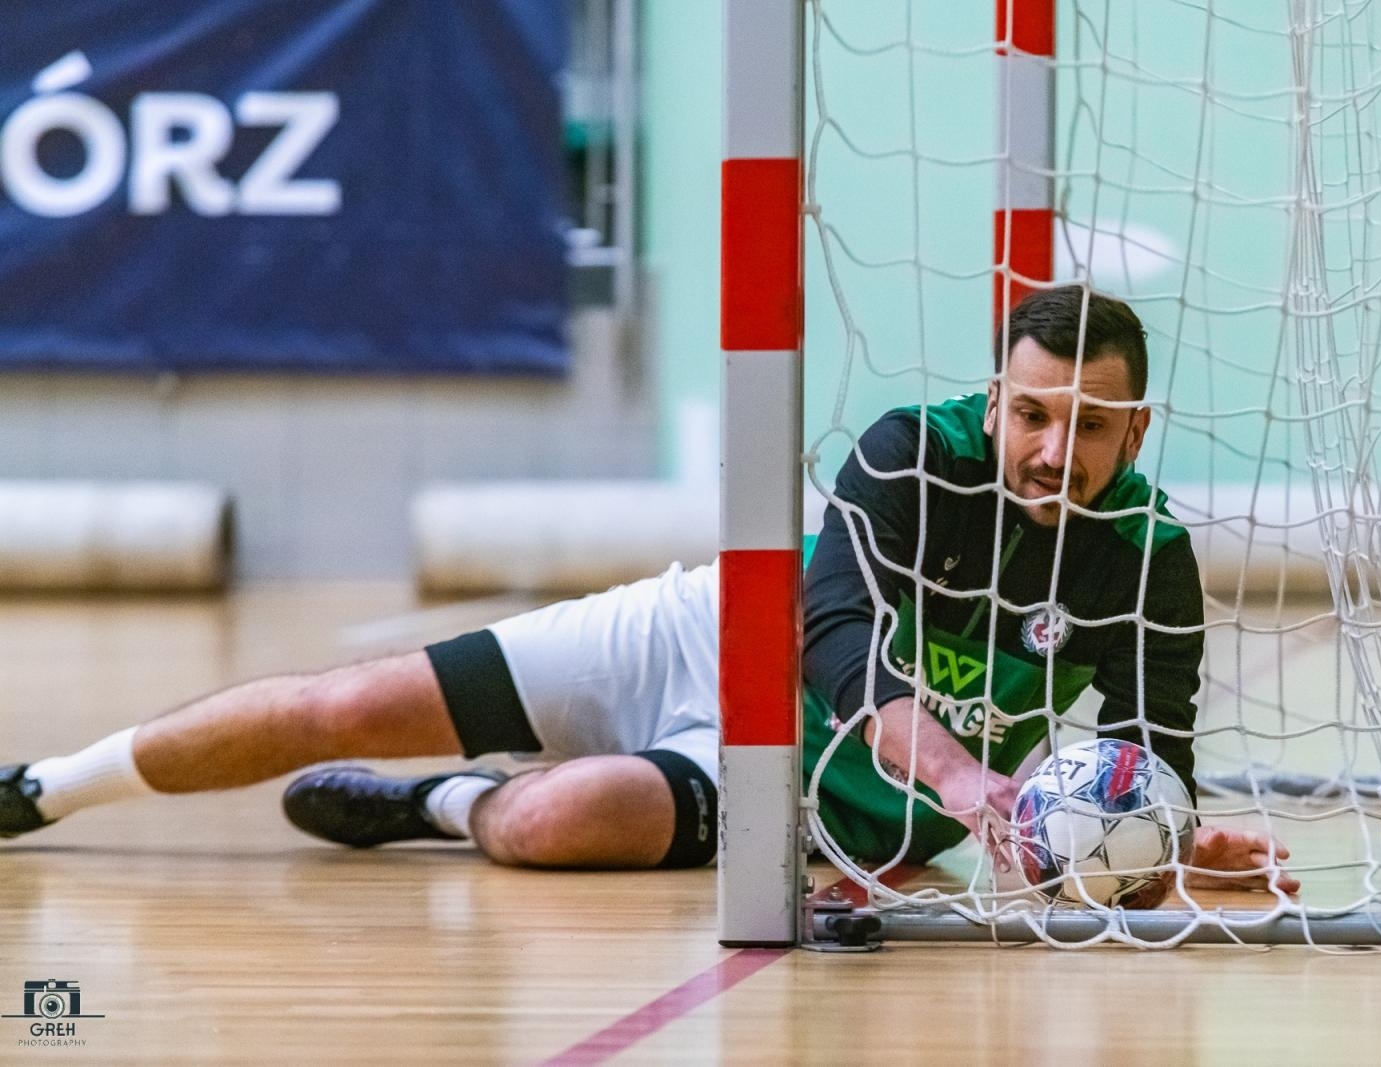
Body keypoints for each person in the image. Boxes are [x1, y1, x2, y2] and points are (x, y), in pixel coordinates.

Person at [0, 284, 1296, 895]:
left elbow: (1148, 751)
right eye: (1032, 415)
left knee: (556, 824)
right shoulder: (914, 455)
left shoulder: (1150, 559)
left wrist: (1176, 832)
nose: (1054, 453)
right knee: (345, 699)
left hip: (809, 793)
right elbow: (836, 638)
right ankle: (48, 786)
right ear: (995, 397)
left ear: (1137, 431)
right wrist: (969, 784)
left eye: (1091, 428)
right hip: (697, 637)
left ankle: (440, 805)